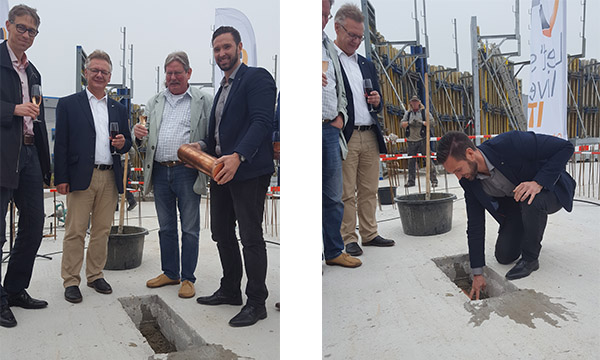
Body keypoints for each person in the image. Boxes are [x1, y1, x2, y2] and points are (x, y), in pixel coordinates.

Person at [194, 26, 276, 327]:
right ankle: (230, 289)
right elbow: (219, 134)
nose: (221, 54)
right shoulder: (223, 88)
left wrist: (239, 155)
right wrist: (201, 145)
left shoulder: (257, 77)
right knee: (220, 232)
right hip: (221, 171)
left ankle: (257, 301)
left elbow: (261, 122)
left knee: (250, 236)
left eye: (226, 47)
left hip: (249, 171)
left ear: (239, 47)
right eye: (216, 49)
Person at [436, 131, 576, 300]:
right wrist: (477, 272)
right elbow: (475, 225)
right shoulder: (469, 182)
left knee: (530, 199)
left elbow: (565, 147)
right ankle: (530, 231)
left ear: (470, 153)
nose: (459, 177)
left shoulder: (510, 143)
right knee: (504, 256)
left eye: (458, 169)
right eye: (454, 173)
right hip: (516, 206)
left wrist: (538, 182)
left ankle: (531, 259)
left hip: (548, 191)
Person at [54, 50, 132, 304]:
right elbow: (61, 145)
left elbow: (127, 143)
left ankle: (95, 274)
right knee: (75, 230)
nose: (99, 75)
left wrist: (122, 143)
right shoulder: (69, 104)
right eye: (95, 70)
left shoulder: (119, 109)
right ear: (85, 73)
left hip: (110, 177)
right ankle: (71, 280)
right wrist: (60, 177)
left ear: (110, 76)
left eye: (104, 72)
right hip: (80, 177)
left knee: (102, 231)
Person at [133, 51, 212, 299]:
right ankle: (170, 272)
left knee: (189, 228)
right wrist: (136, 135)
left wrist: (201, 149)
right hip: (159, 171)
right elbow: (143, 143)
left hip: (186, 171)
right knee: (166, 227)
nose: (173, 77)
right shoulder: (154, 102)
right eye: (169, 73)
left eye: (178, 72)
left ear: (189, 73)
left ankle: (188, 278)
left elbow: (213, 136)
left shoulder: (202, 100)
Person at [0, 4, 51, 328]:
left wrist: (48, 167)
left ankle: (15, 288)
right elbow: (20, 111)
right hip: (3, 154)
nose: (27, 35)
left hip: (30, 155)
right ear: (8, 26)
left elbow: (39, 119)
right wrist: (12, 109)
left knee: (34, 225)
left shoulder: (33, 73)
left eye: (32, 31)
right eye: (21, 28)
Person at [333, 4, 395, 257]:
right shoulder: (328, 62)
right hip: (346, 135)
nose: (357, 41)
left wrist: (378, 102)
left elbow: (378, 103)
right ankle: (348, 238)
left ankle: (369, 233)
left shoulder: (366, 65)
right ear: (337, 28)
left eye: (360, 37)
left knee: (369, 188)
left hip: (369, 132)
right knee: (346, 191)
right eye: (352, 35)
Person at [321, 0, 361, 268]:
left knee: (333, 197)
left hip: (328, 130)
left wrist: (341, 117)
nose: (321, 18)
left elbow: (340, 90)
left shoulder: (326, 47)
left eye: (324, 13)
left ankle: (334, 251)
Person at [401, 95, 437, 187]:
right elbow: (402, 124)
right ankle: (411, 181)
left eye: (416, 102)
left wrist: (422, 122)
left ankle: (434, 180)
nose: (414, 103)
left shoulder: (425, 113)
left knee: (428, 159)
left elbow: (432, 123)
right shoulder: (408, 114)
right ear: (411, 104)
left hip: (422, 139)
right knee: (411, 162)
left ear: (419, 103)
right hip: (411, 140)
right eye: (413, 102)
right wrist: (409, 123)